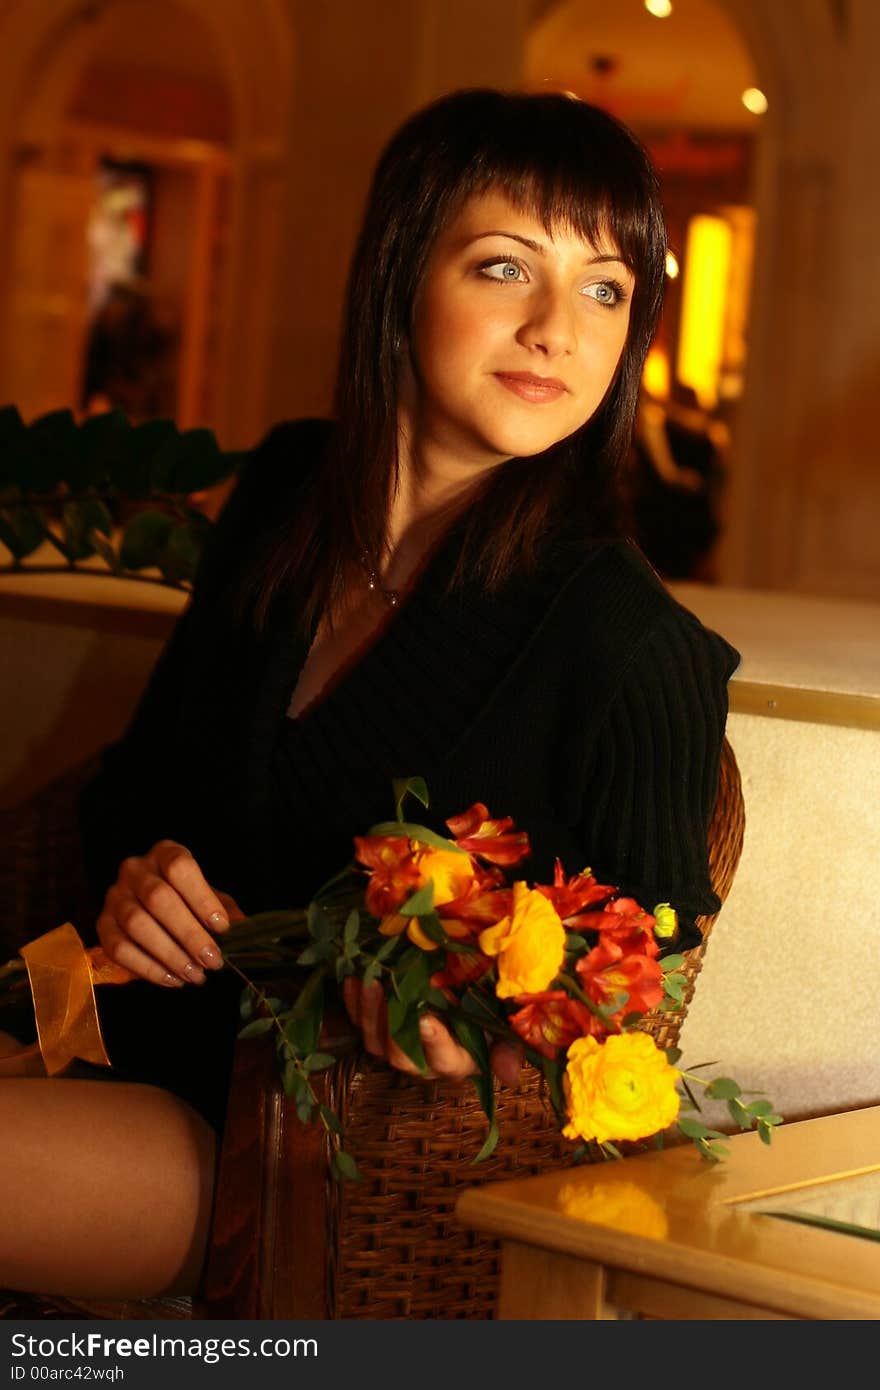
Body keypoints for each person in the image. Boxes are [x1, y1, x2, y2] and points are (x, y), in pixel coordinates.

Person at [0, 88, 739, 1301]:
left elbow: (629, 1027)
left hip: (278, 1161)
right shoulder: (291, 492)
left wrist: (452, 1017)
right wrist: (144, 877)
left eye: (606, 289)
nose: (559, 328)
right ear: (403, 275)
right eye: (508, 267)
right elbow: (129, 794)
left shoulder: (628, 642)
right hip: (91, 1033)